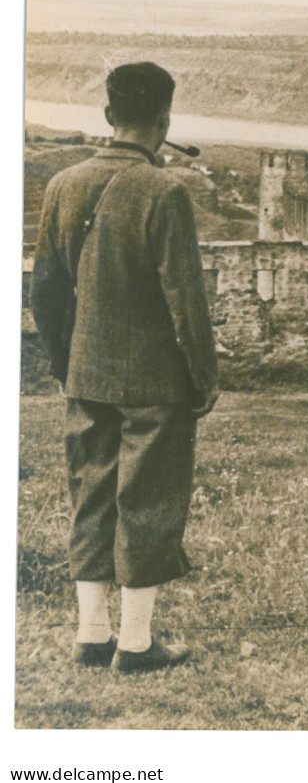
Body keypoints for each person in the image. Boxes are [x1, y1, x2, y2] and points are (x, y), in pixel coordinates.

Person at [31, 62, 218, 673]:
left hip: (86, 373)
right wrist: (203, 379)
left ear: (109, 117)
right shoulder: (167, 192)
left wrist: (67, 363)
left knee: (92, 497)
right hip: (153, 382)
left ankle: (91, 635)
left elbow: (46, 293)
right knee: (149, 502)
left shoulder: (62, 184)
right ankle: (136, 644)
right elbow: (186, 303)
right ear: (164, 121)